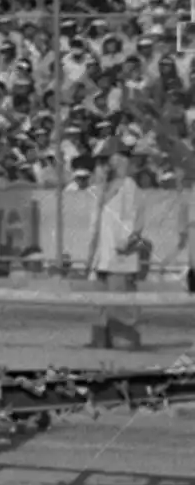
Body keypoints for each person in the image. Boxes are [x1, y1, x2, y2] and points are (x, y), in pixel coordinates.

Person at [89, 148, 148, 349]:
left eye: (109, 160)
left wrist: (125, 243)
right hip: (102, 258)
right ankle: (101, 341)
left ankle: (125, 342)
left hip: (120, 256)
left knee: (121, 303)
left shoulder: (129, 186)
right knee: (100, 303)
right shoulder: (103, 189)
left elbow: (133, 219)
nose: (106, 165)